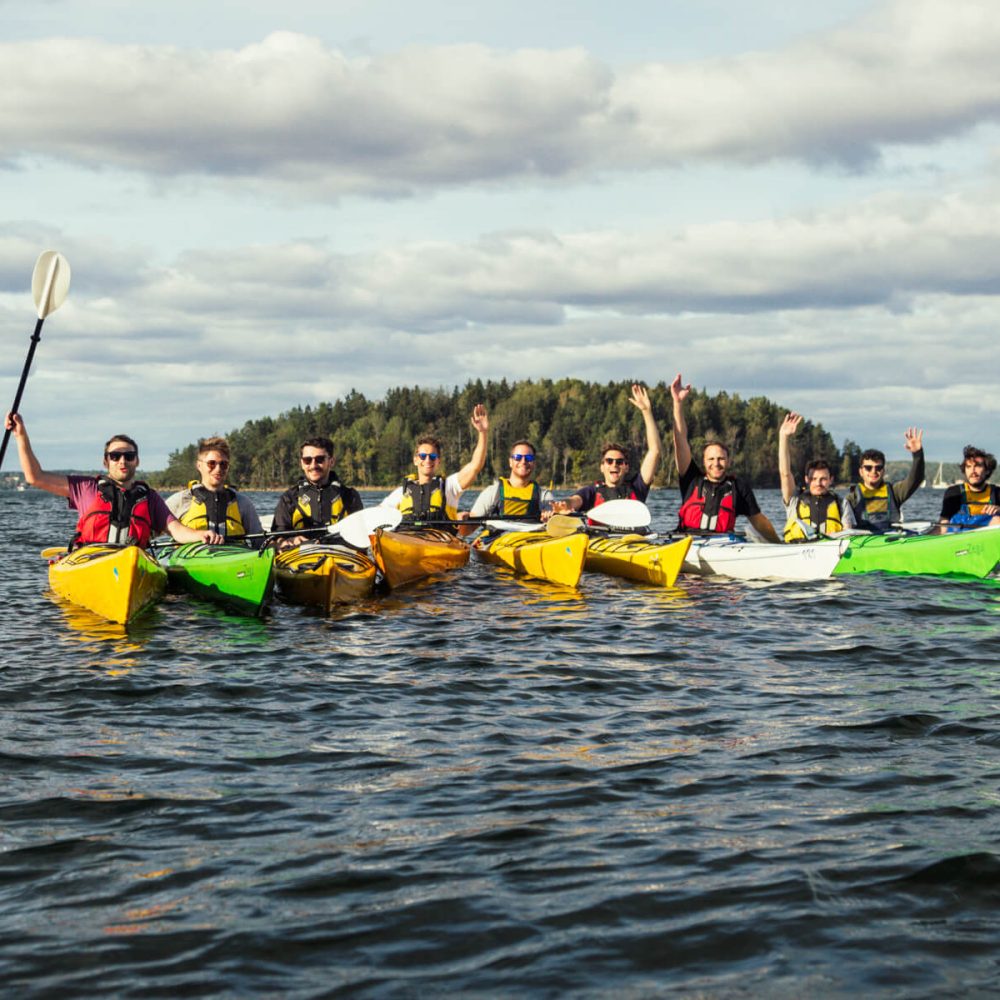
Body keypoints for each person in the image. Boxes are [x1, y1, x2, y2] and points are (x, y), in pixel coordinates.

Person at [4, 412, 222, 548]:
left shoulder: (150, 498)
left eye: (128, 456)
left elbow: (177, 531)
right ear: (105, 461)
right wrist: (20, 435)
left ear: (137, 461)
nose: (122, 461)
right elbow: (35, 477)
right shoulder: (86, 488)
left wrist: (201, 535)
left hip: (131, 564)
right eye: (115, 456)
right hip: (91, 562)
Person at [670, 375, 780, 542]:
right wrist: (678, 404)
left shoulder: (738, 487)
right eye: (711, 459)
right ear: (704, 461)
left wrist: (779, 546)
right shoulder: (691, 479)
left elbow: (759, 521)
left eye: (721, 459)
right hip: (687, 544)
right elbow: (680, 440)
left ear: (728, 461)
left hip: (723, 545)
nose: (716, 464)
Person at [550, 384, 662, 519]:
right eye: (609, 461)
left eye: (620, 462)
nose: (614, 465)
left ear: (626, 467)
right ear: (602, 467)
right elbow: (575, 501)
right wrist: (565, 505)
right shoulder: (591, 492)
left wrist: (646, 411)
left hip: (632, 539)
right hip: (601, 539)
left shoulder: (638, 487)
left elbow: (654, 451)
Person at [381, 404, 489, 531]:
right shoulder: (400, 493)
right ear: (415, 460)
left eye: (432, 456)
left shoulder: (450, 487)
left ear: (438, 461)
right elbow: (377, 515)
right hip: (408, 542)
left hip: (439, 542)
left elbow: (475, 466)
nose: (427, 460)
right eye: (422, 456)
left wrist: (483, 433)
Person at [272, 435, 364, 548]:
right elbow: (276, 539)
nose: (313, 465)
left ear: (331, 461)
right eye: (307, 460)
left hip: (341, 558)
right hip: (300, 559)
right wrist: (289, 540)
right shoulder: (289, 498)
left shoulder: (350, 496)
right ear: (302, 463)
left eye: (319, 459)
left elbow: (361, 537)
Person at [166, 436, 263, 544]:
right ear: (199, 465)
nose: (218, 469)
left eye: (223, 464)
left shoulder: (242, 503)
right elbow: (150, 532)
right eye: (211, 463)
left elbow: (260, 541)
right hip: (192, 558)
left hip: (234, 557)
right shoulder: (180, 501)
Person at [842, 429, 924, 533]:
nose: (873, 471)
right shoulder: (851, 498)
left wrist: (918, 454)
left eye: (878, 468)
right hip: (865, 543)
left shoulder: (895, 492)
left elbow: (916, 479)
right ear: (861, 472)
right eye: (868, 468)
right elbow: (846, 527)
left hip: (892, 541)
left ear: (883, 471)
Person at [778, 413, 843, 542]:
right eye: (814, 479)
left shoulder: (841, 503)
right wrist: (783, 437)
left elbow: (849, 529)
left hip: (830, 551)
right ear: (807, 480)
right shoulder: (793, 500)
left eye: (823, 479)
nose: (818, 483)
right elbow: (785, 473)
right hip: (797, 549)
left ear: (831, 480)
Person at [469, 439, 553, 520]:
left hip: (531, 534)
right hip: (499, 534)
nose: (523, 461)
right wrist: (462, 519)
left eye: (529, 458)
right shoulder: (492, 492)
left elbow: (555, 523)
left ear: (534, 463)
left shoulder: (544, 497)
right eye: (518, 457)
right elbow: (467, 529)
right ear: (510, 462)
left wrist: (551, 518)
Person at [938, 446, 1000, 529]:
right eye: (969, 467)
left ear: (987, 470)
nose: (973, 471)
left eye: (978, 466)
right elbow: (943, 526)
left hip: (988, 537)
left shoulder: (997, 492)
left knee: (997, 520)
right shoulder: (954, 493)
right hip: (959, 537)